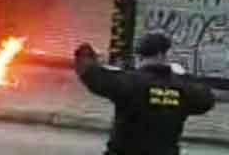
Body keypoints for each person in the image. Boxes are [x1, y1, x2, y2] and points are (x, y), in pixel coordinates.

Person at [74, 32, 215, 155]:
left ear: (139, 56)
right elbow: (207, 99)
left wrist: (86, 52)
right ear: (164, 55)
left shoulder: (130, 82)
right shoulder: (182, 88)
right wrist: (185, 76)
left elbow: (92, 76)